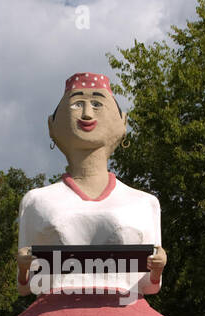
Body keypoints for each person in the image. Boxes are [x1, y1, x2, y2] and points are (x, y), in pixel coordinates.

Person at [16, 72, 167, 299]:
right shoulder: (36, 201)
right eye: (77, 104)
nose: (87, 114)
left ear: (123, 122)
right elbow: (25, 286)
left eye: (97, 103)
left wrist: (157, 266)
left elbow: (150, 285)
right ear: (52, 125)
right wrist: (23, 266)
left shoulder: (145, 203)